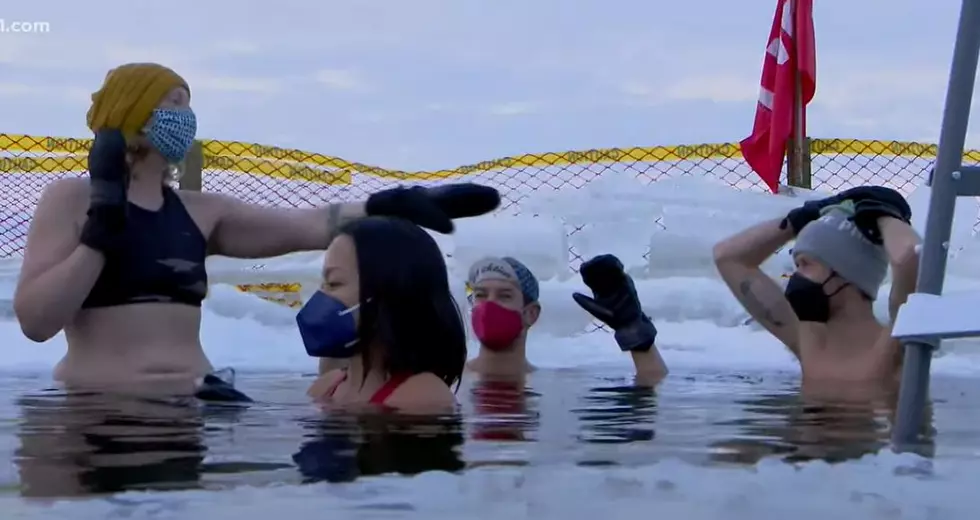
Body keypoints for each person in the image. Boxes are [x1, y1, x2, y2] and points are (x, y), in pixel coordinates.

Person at [12, 62, 499, 397]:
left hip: (195, 399)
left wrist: (387, 202)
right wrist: (100, 233)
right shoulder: (70, 199)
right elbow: (36, 322)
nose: (186, 117)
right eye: (174, 103)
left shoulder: (202, 211)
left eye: (187, 105)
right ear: (132, 112)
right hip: (98, 403)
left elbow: (306, 225)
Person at [712, 185, 918, 396]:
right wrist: (796, 221)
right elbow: (728, 257)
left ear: (845, 272)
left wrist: (886, 216)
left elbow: (910, 257)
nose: (795, 277)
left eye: (805, 264)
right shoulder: (809, 339)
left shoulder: (898, 342)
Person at [303, 216, 467, 411]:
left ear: (390, 294)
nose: (321, 296)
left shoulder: (420, 396)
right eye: (323, 285)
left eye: (334, 283)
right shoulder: (325, 387)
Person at [464, 254, 668, 383]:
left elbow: (654, 390)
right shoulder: (448, 380)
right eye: (480, 295)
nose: (488, 305)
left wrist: (635, 334)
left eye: (504, 295)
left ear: (531, 313)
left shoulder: (551, 383)